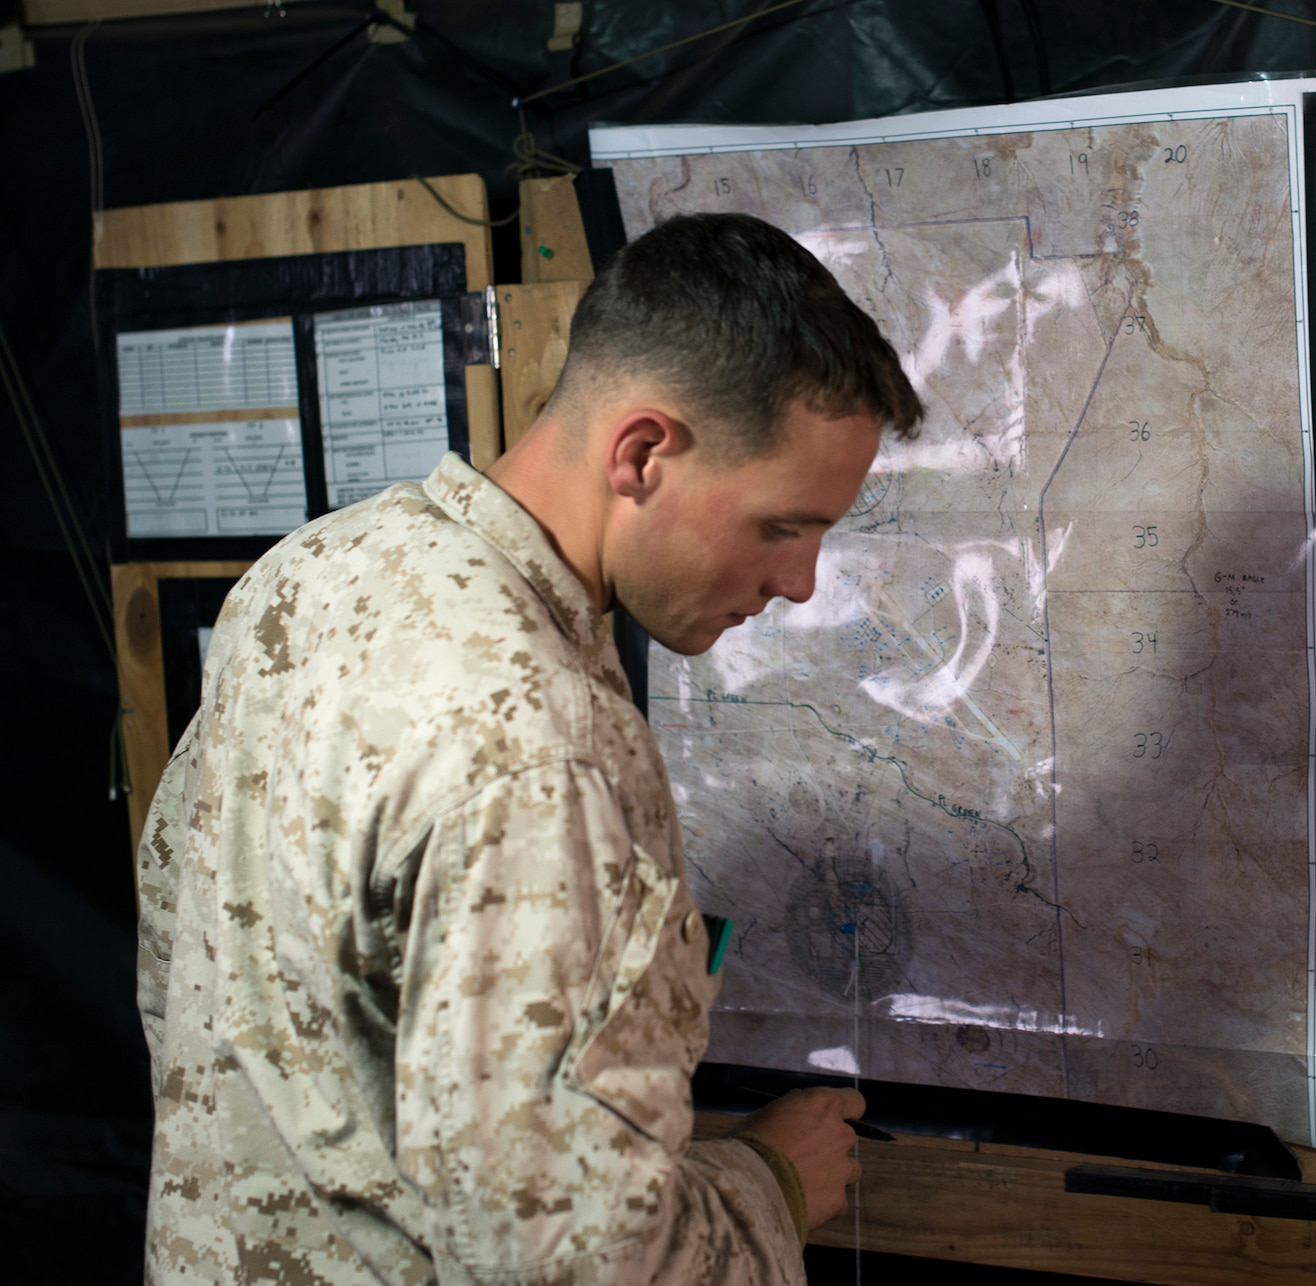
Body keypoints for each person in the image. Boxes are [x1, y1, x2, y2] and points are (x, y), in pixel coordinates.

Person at [135, 212, 925, 1284]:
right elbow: (572, 1263)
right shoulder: (543, 742)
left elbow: (180, 963)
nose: (800, 583)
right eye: (782, 526)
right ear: (640, 452)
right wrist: (767, 1183)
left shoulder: (311, 572)